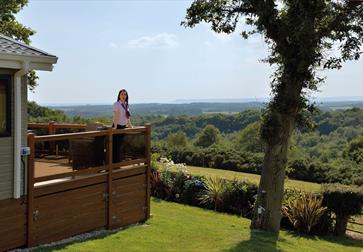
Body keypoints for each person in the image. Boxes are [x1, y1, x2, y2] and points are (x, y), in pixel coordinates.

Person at [112, 89, 133, 163]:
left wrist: (130, 125)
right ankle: (115, 164)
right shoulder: (116, 104)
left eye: (125, 94)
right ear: (119, 95)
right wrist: (115, 127)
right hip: (117, 126)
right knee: (115, 146)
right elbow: (115, 116)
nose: (123, 96)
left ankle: (118, 162)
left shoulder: (126, 104)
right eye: (122, 94)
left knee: (120, 146)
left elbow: (127, 116)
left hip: (123, 127)